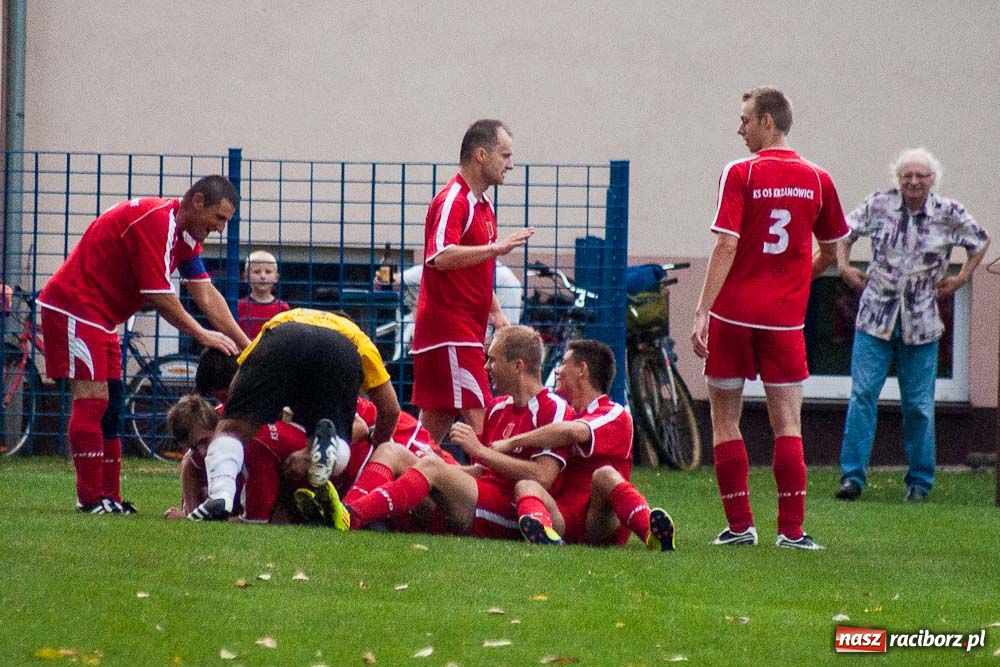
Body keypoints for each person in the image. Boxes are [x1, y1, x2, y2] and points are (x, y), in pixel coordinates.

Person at [691, 87, 849, 550]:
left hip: (734, 314)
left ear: (767, 121)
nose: (738, 129)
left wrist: (702, 309)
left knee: (725, 419)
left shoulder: (739, 173)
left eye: (744, 120)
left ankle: (740, 526)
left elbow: (726, 243)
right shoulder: (818, 178)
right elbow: (836, 248)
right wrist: (799, 275)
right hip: (784, 320)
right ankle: (792, 532)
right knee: (788, 423)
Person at [37, 175, 250, 515]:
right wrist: (202, 334)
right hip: (75, 306)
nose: (221, 229)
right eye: (219, 218)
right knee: (93, 402)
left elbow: (206, 293)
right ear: (197, 202)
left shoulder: (183, 236)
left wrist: (246, 345)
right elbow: (158, 294)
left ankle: (110, 498)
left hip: (102, 317)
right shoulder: (156, 221)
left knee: (113, 405)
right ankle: (89, 498)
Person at [311, 325, 571, 538]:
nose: (486, 367)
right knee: (392, 450)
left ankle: (353, 516)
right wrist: (444, 468)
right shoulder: (497, 408)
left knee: (432, 466)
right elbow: (484, 471)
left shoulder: (553, 408)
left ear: (518, 365)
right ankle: (345, 511)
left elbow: (543, 477)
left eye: (492, 359)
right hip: (480, 497)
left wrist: (477, 452)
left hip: (513, 509)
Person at [835, 148, 991, 502]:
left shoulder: (948, 212)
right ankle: (852, 478)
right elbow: (844, 231)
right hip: (875, 317)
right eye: (907, 176)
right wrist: (843, 267)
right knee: (862, 396)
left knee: (919, 405)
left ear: (932, 179)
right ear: (898, 179)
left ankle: (920, 481)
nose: (913, 182)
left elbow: (980, 241)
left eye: (920, 176)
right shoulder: (879, 204)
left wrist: (963, 276)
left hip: (921, 321)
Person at [187, 308, 400, 521]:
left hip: (283, 336)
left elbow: (239, 380)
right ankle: (330, 449)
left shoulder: (285, 317)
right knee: (336, 440)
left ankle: (221, 495)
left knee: (231, 431)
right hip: (341, 351)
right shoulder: (360, 339)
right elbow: (390, 409)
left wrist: (235, 413)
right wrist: (380, 444)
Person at [411, 119, 535, 443]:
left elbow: (475, 267)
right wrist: (496, 247)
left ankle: (392, 482)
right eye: (505, 155)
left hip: (460, 332)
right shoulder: (455, 199)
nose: (511, 164)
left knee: (429, 430)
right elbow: (440, 256)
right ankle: (494, 490)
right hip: (450, 331)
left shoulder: (483, 204)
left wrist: (495, 311)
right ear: (481, 155)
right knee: (482, 415)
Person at [493, 339, 675, 551]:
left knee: (604, 475)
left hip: (599, 521)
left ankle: (652, 533)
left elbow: (575, 432)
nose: (558, 371)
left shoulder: (613, 413)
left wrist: (512, 442)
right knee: (526, 485)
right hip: (564, 517)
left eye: (564, 363)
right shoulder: (562, 412)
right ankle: (545, 534)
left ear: (581, 370)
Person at [163, 394, 308, 524]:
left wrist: (194, 519)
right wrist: (192, 510)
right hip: (287, 454)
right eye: (194, 447)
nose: (202, 452)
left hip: (308, 470)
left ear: (219, 427)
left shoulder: (256, 448)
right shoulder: (216, 420)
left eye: (204, 442)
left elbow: (255, 521)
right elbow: (189, 461)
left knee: (278, 518)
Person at [238, 250, 290, 339]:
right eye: (257, 272)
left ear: (276, 278)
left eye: (268, 272)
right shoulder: (239, 306)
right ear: (246, 277)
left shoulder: (283, 308)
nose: (263, 276)